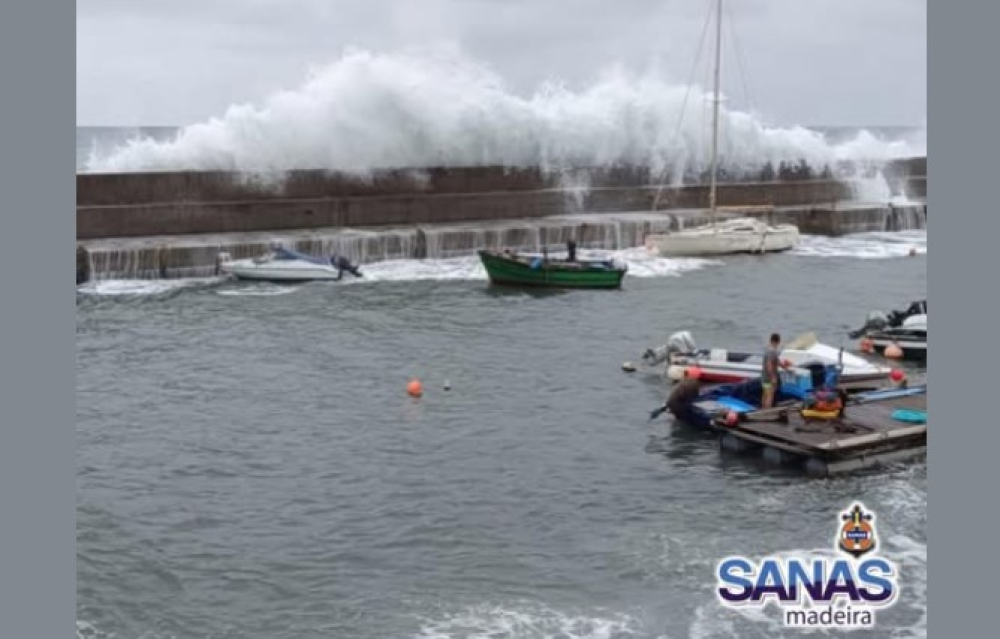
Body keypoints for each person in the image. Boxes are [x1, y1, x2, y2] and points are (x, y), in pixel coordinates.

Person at [761, 333, 791, 408]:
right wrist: (773, 377)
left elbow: (777, 362)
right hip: (769, 378)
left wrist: (784, 367)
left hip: (764, 376)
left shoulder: (767, 349)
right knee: (770, 396)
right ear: (778, 341)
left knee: (765, 394)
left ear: (770, 340)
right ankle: (767, 412)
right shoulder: (772, 351)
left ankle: (762, 409)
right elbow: (769, 364)